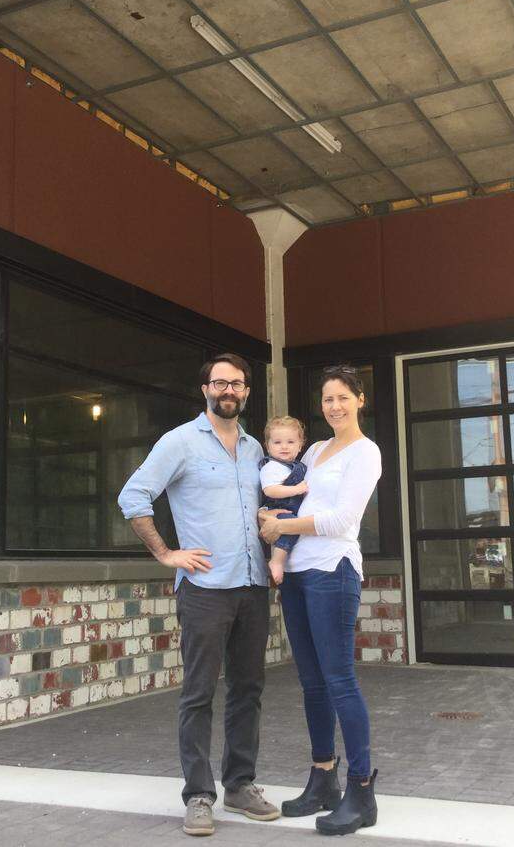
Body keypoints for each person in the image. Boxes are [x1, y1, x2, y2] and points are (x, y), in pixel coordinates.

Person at [117, 353, 279, 837]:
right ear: (205, 389)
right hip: (206, 590)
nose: (228, 391)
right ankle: (198, 795)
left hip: (252, 587)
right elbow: (134, 495)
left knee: (248, 690)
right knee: (199, 693)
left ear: (247, 392)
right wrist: (167, 553)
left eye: (237, 384)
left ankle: (240, 784)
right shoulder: (180, 442)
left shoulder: (256, 450)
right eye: (219, 383)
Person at [259, 365, 382, 836]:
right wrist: (269, 516)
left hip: (333, 571)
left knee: (339, 681)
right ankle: (323, 778)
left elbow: (340, 519)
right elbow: (292, 503)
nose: (334, 406)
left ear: (360, 400)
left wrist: (280, 527)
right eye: (328, 399)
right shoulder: (312, 449)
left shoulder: (365, 452)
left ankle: (361, 789)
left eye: (342, 398)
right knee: (311, 683)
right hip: (297, 574)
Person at [259, 415, 309, 586]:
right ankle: (277, 561)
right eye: (277, 442)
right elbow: (270, 490)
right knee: (291, 525)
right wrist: (297, 489)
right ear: (267, 446)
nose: (284, 447)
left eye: (290, 442)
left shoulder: (299, 466)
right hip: (279, 510)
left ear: (301, 444)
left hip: (294, 512)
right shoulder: (271, 467)